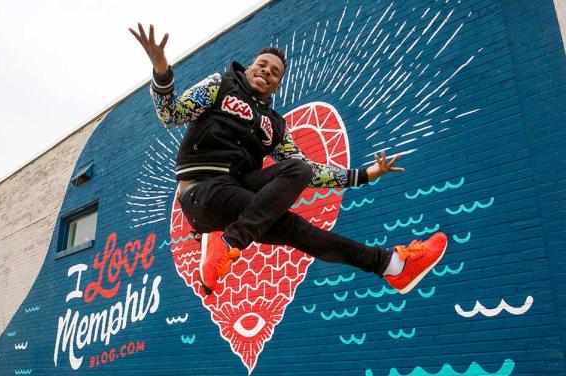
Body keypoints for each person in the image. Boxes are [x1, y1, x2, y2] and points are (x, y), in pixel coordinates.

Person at [129, 23, 448, 295]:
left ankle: (392, 266)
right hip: (203, 190)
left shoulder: (275, 125)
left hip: (236, 199)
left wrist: (363, 175)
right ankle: (227, 244)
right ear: (250, 67)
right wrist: (161, 71)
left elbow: (308, 173)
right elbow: (170, 115)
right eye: (262, 65)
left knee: (299, 205)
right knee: (289, 211)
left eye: (275, 72)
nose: (266, 71)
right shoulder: (220, 84)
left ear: (278, 85)